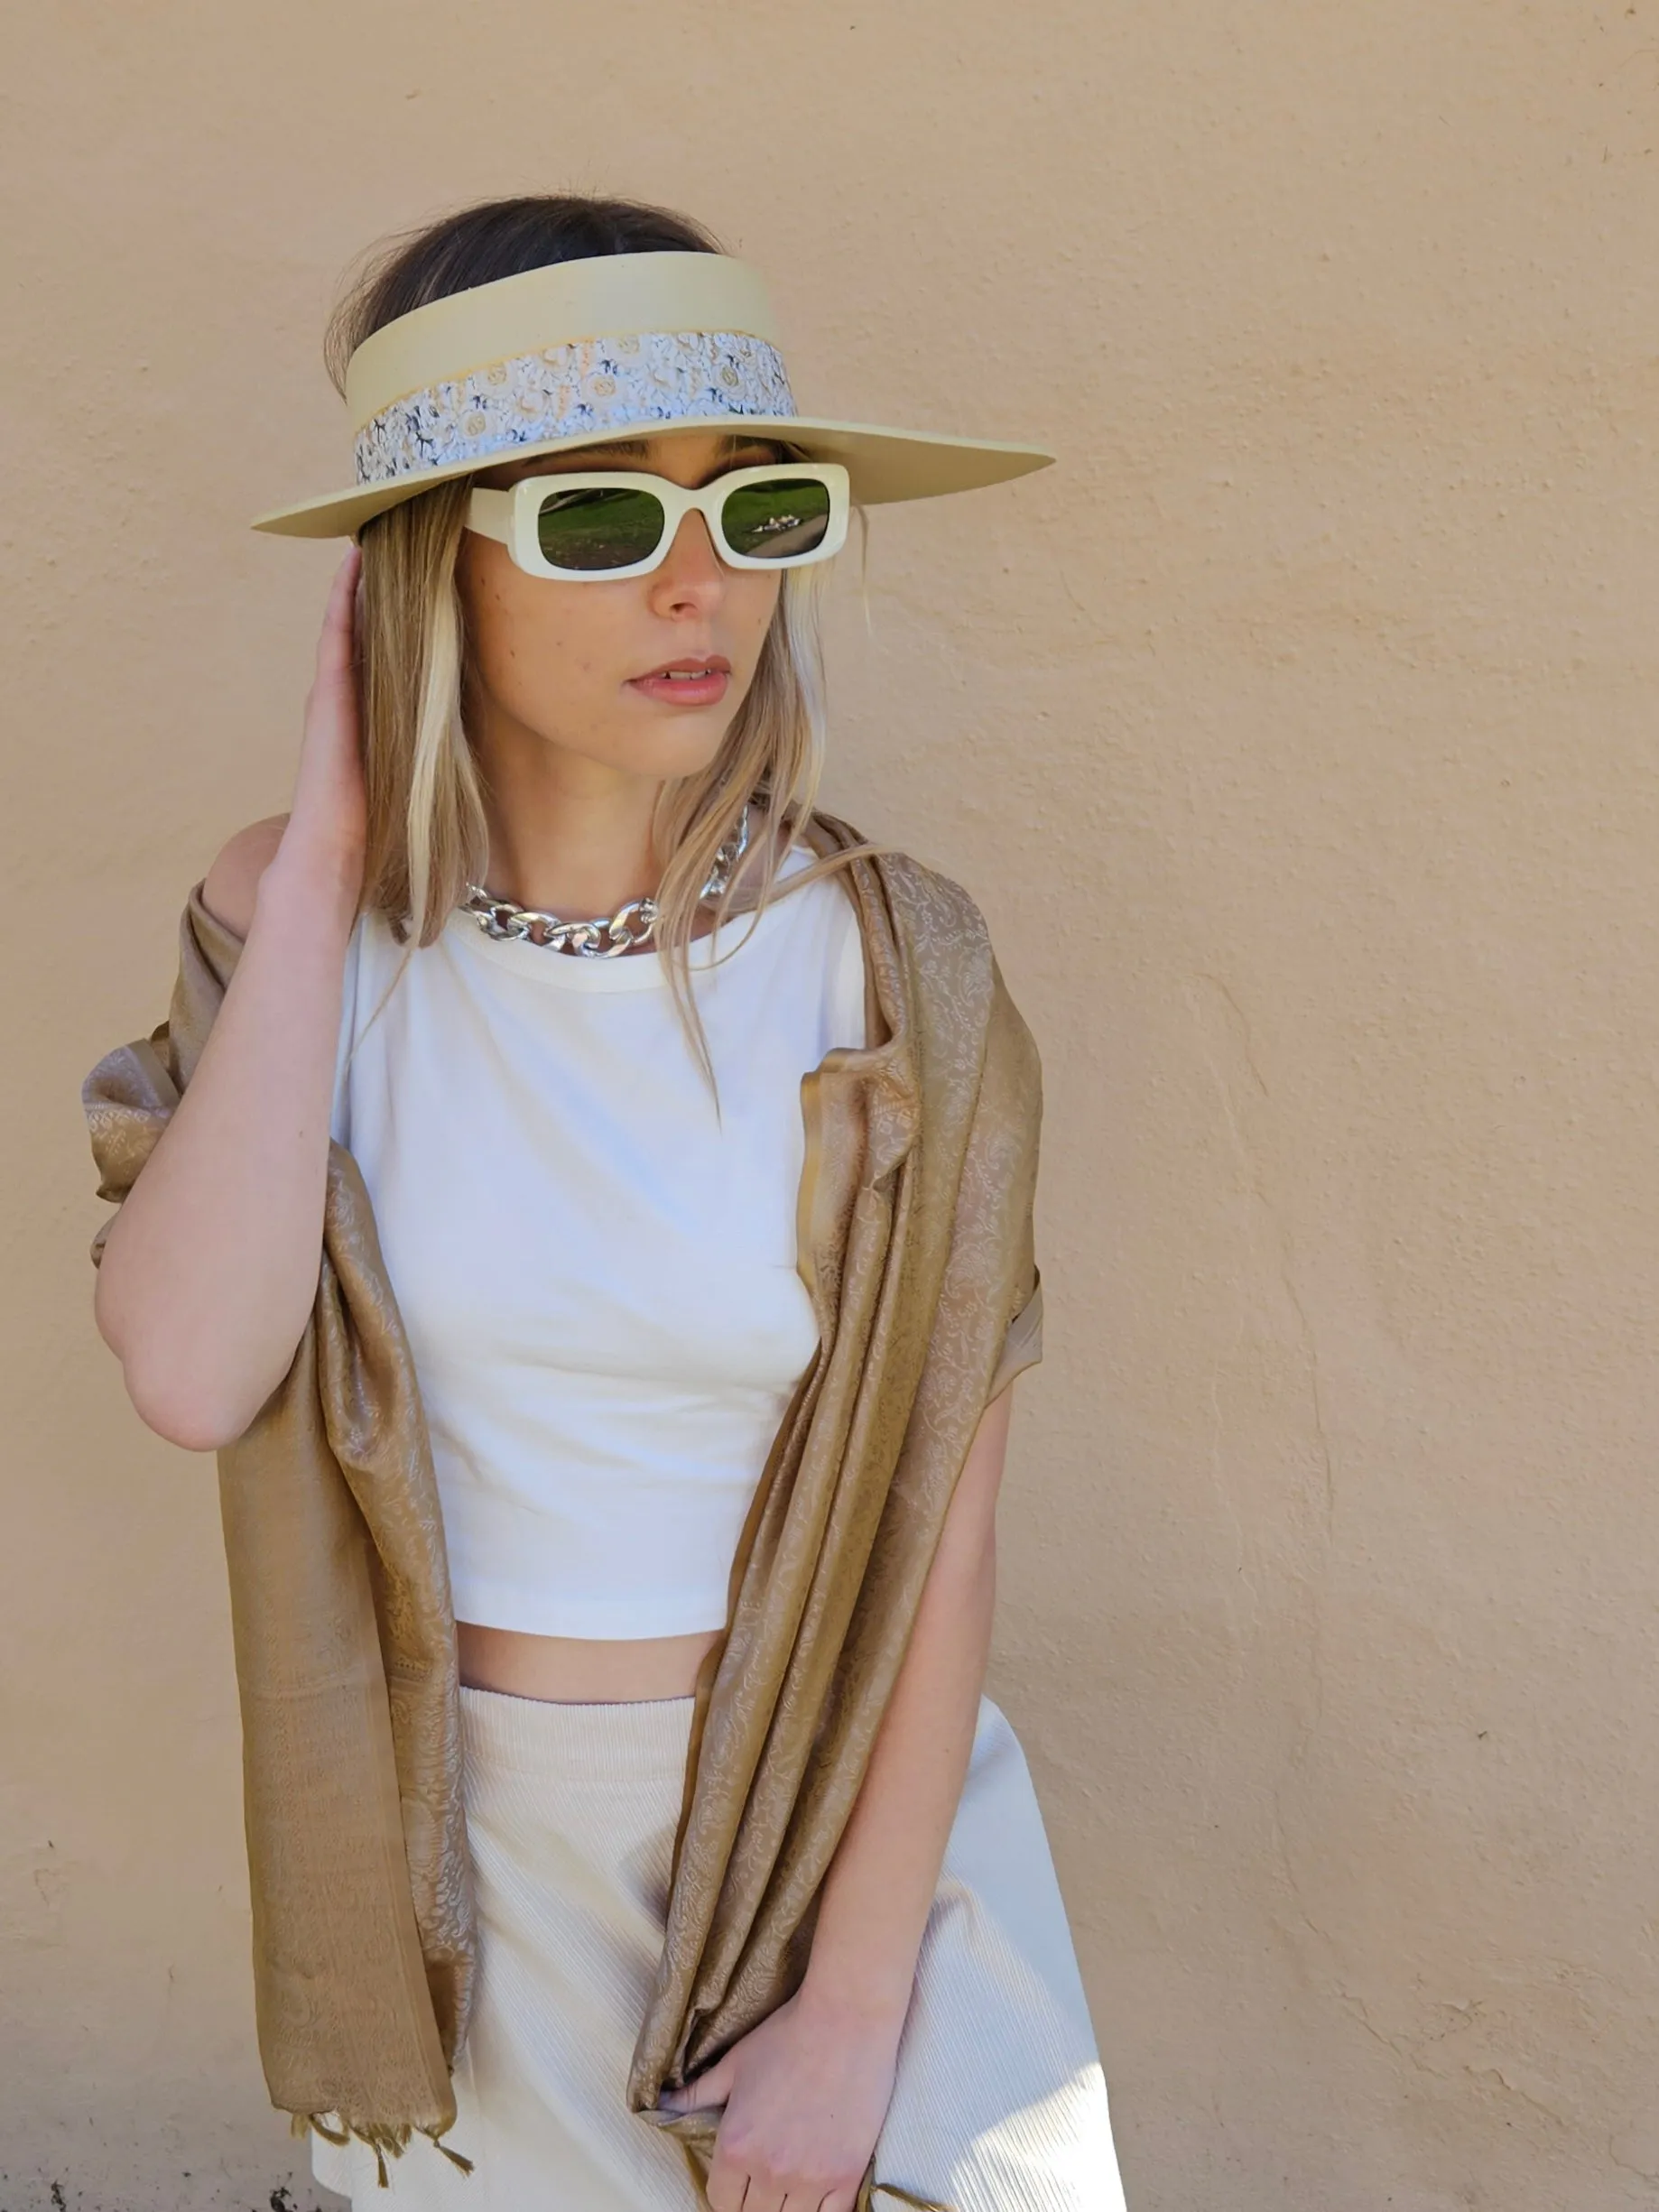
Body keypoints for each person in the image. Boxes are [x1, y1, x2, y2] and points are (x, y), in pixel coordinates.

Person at [83, 193, 1130, 2212]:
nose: (698, 588)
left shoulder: (895, 972)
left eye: (754, 512)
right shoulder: (289, 933)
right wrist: (317, 871)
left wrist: (848, 2016)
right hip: (448, 1881)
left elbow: (937, 1540)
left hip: (822, 1861)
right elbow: (198, 1367)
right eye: (593, 520)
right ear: (428, 567)